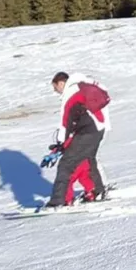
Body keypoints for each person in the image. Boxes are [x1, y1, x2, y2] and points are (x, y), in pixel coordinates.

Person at [44, 72, 109, 208]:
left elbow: (65, 122)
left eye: (55, 88)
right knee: (87, 160)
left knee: (66, 164)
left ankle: (59, 201)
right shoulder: (85, 85)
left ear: (61, 83)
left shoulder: (70, 93)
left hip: (88, 131)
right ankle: (96, 191)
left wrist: (61, 143)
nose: (55, 91)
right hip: (99, 128)